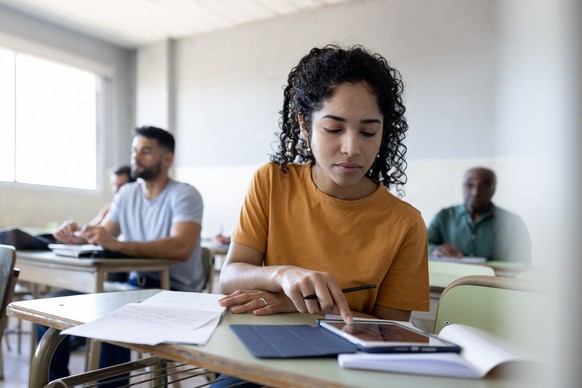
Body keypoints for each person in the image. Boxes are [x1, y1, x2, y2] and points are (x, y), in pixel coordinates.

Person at [218, 44, 429, 325]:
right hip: (266, 346)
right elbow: (230, 276)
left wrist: (298, 306)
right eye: (334, 129)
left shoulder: (406, 224)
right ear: (305, 127)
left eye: (368, 132)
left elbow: (392, 328)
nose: (351, 148)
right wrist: (282, 275)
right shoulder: (271, 182)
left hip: (349, 360)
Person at [39, 126, 205, 386]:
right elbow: (103, 235)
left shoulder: (184, 194)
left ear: (167, 159)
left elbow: (180, 248)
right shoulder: (127, 194)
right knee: (48, 309)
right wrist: (77, 234)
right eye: (134, 151)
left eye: (146, 151)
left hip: (177, 293)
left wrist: (115, 243)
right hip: (132, 287)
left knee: (114, 314)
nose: (136, 158)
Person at [427, 167, 532, 263]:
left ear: (493, 190)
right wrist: (434, 250)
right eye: (469, 185)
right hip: (450, 282)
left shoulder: (513, 223)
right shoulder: (444, 216)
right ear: (462, 187)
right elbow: (420, 245)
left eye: (483, 186)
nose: (475, 192)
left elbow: (523, 263)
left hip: (496, 282)